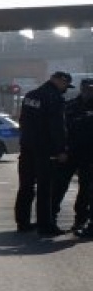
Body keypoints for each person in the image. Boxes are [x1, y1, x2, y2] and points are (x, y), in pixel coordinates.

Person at [13, 70, 73, 236]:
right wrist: (61, 149)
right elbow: (57, 127)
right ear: (59, 81)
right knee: (45, 188)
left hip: (27, 147)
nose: (65, 89)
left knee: (26, 186)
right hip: (45, 150)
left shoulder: (31, 95)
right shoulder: (54, 98)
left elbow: (22, 120)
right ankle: (45, 226)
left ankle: (22, 222)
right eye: (66, 85)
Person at [64, 78, 93, 236]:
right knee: (60, 186)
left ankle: (86, 222)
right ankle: (79, 220)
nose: (89, 91)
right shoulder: (71, 105)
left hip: (90, 155)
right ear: (82, 88)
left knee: (87, 190)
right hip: (72, 153)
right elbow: (63, 127)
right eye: (87, 88)